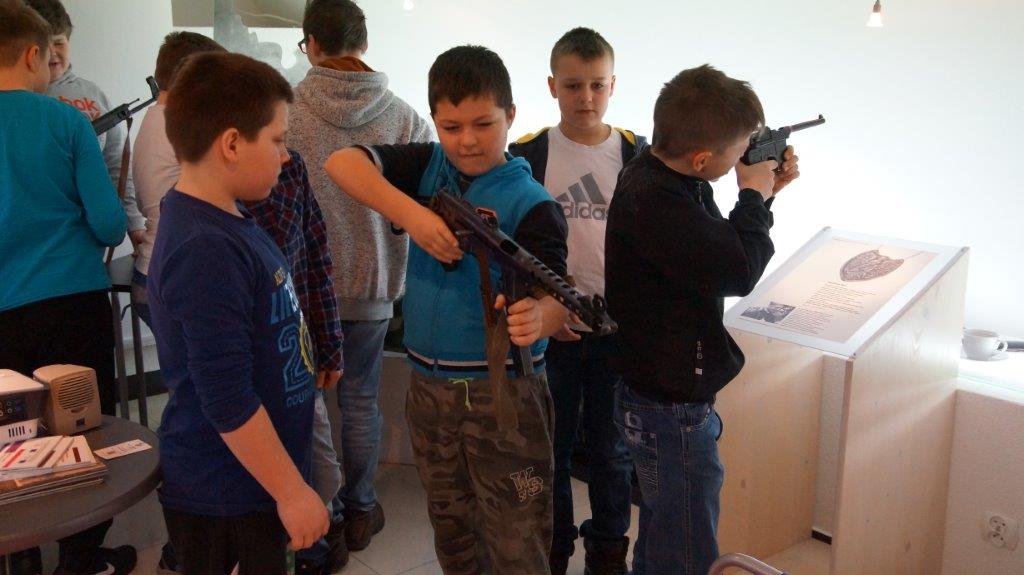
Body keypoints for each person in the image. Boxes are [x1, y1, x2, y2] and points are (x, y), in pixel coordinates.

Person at [324, 45, 568, 575]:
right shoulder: (429, 166)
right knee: (451, 529)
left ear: (512, 116)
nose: (467, 140)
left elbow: (559, 297)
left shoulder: (533, 204)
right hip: (429, 390)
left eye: (484, 124)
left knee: (517, 537)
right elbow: (341, 163)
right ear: (434, 120)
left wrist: (540, 318)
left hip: (505, 395)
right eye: (451, 126)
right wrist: (413, 216)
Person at [604, 64, 800, 575]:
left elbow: (713, 249)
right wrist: (752, 196)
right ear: (701, 159)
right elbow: (738, 269)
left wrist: (765, 193)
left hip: (655, 395)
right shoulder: (659, 201)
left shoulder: (661, 176)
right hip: (670, 410)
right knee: (687, 549)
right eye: (738, 151)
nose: (742, 159)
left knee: (663, 529)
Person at [148, 51, 328, 574]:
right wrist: (291, 491)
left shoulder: (227, 218)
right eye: (277, 140)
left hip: (253, 482)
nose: (286, 156)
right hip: (225, 493)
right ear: (231, 143)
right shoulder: (204, 247)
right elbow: (227, 397)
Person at [288, 0, 434, 565]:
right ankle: (361, 509)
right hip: (372, 282)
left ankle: (323, 515)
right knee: (360, 401)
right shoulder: (402, 116)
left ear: (311, 44)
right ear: (364, 43)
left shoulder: (287, 112)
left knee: (310, 405)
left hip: (301, 286)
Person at [0, 2, 132, 573]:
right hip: (71, 301)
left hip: (3, 313)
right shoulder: (66, 122)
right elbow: (109, 225)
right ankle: (81, 556)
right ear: (34, 53)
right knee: (83, 425)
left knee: (9, 436)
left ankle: (21, 553)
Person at [508, 27, 643, 575]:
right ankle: (555, 551)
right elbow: (510, 242)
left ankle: (608, 555)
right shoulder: (527, 155)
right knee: (552, 451)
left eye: (596, 85)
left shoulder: (638, 156)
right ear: (552, 86)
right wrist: (545, 305)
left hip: (616, 333)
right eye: (572, 85)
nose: (585, 97)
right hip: (552, 332)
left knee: (613, 453)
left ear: (613, 85)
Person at [25, 0, 145, 252]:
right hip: (35, 239)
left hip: (89, 241)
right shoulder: (21, 98)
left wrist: (134, 224)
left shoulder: (93, 94)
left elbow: (116, 164)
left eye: (59, 43)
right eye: (44, 45)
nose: (52, 53)